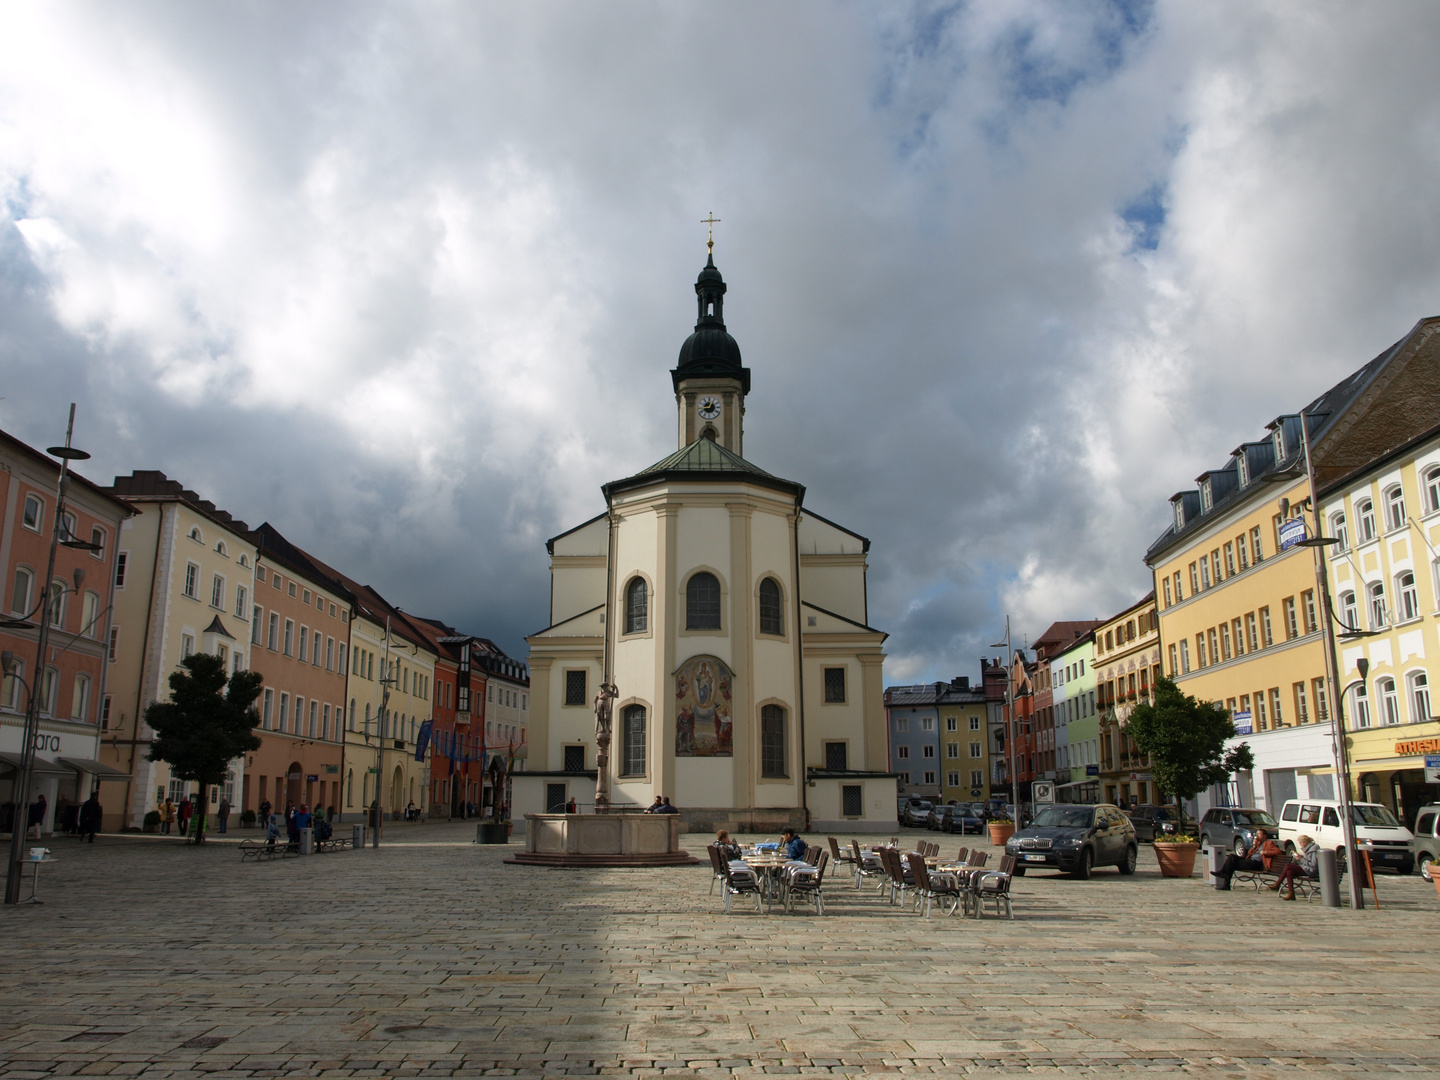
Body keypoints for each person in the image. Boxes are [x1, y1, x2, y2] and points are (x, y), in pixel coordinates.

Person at [1211, 828, 1281, 890]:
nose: (1257, 835)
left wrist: (1265, 852)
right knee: (1231, 856)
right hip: (1250, 860)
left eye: (1259, 834)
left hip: (1256, 863)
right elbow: (1249, 854)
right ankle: (1223, 876)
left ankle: (1224, 879)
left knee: (1232, 864)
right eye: (1257, 834)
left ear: (1265, 836)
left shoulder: (1269, 843)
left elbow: (1278, 851)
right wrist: (1254, 847)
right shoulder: (1259, 844)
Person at [1271, 834, 1321, 900]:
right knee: (1289, 871)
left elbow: (1313, 864)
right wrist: (1300, 857)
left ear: (1305, 842)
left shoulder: (1313, 850)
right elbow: (1307, 860)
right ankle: (1291, 893)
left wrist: (1301, 859)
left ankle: (1278, 883)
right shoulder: (1308, 849)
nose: (1300, 845)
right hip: (1306, 868)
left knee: (1288, 866)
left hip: (1311, 870)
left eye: (1300, 843)